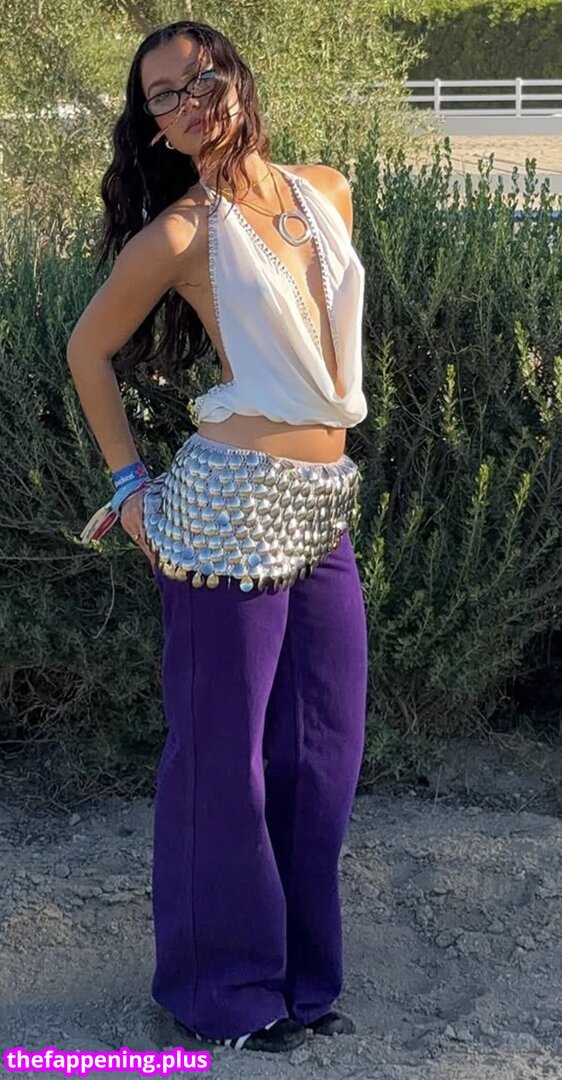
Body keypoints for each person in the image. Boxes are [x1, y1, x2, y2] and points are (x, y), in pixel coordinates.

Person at [67, 18, 369, 1055]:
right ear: (154, 127)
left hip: (321, 503)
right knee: (221, 762)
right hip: (225, 513)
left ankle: (302, 979)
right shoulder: (182, 234)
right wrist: (129, 485)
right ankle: (222, 992)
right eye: (163, 95)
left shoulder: (327, 190)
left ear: (235, 77)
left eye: (199, 78)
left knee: (321, 750)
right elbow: (88, 349)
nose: (188, 101)